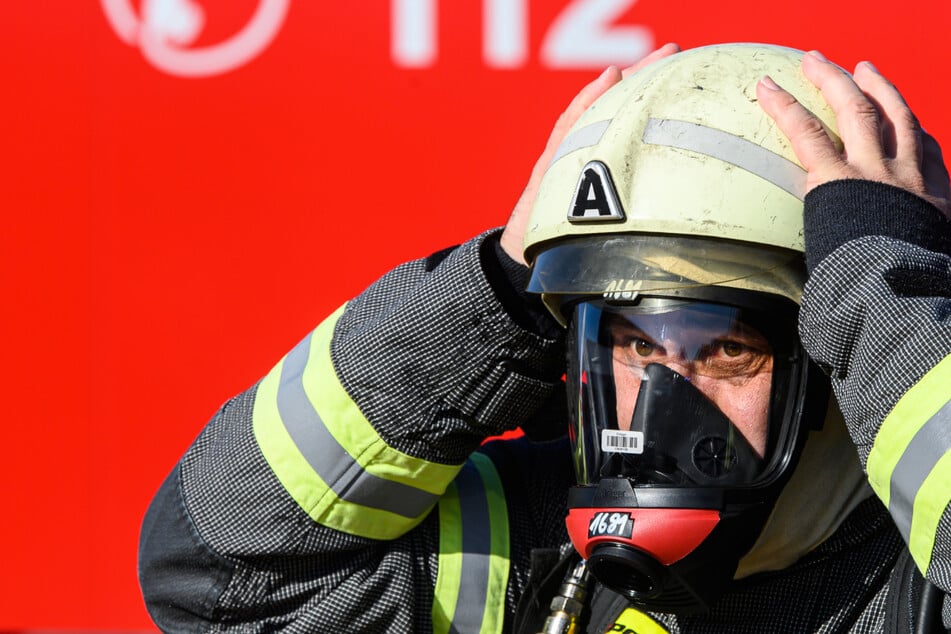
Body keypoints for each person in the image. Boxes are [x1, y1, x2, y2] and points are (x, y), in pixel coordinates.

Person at [138, 42, 951, 633]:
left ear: (835, 358)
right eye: (634, 348)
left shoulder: (916, 583)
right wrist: (493, 294)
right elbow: (223, 573)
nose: (660, 407)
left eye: (723, 350)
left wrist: (884, 299)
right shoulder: (536, 559)